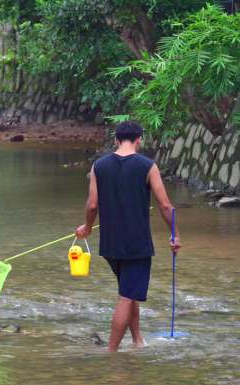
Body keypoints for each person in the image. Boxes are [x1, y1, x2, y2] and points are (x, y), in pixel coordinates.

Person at [75, 121, 181, 352]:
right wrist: (175, 234)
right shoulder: (147, 166)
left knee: (128, 291)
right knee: (126, 296)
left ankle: (137, 340)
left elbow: (92, 205)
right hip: (136, 244)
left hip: (110, 243)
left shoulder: (98, 166)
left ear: (116, 139)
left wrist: (88, 226)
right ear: (139, 139)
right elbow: (164, 205)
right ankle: (111, 353)